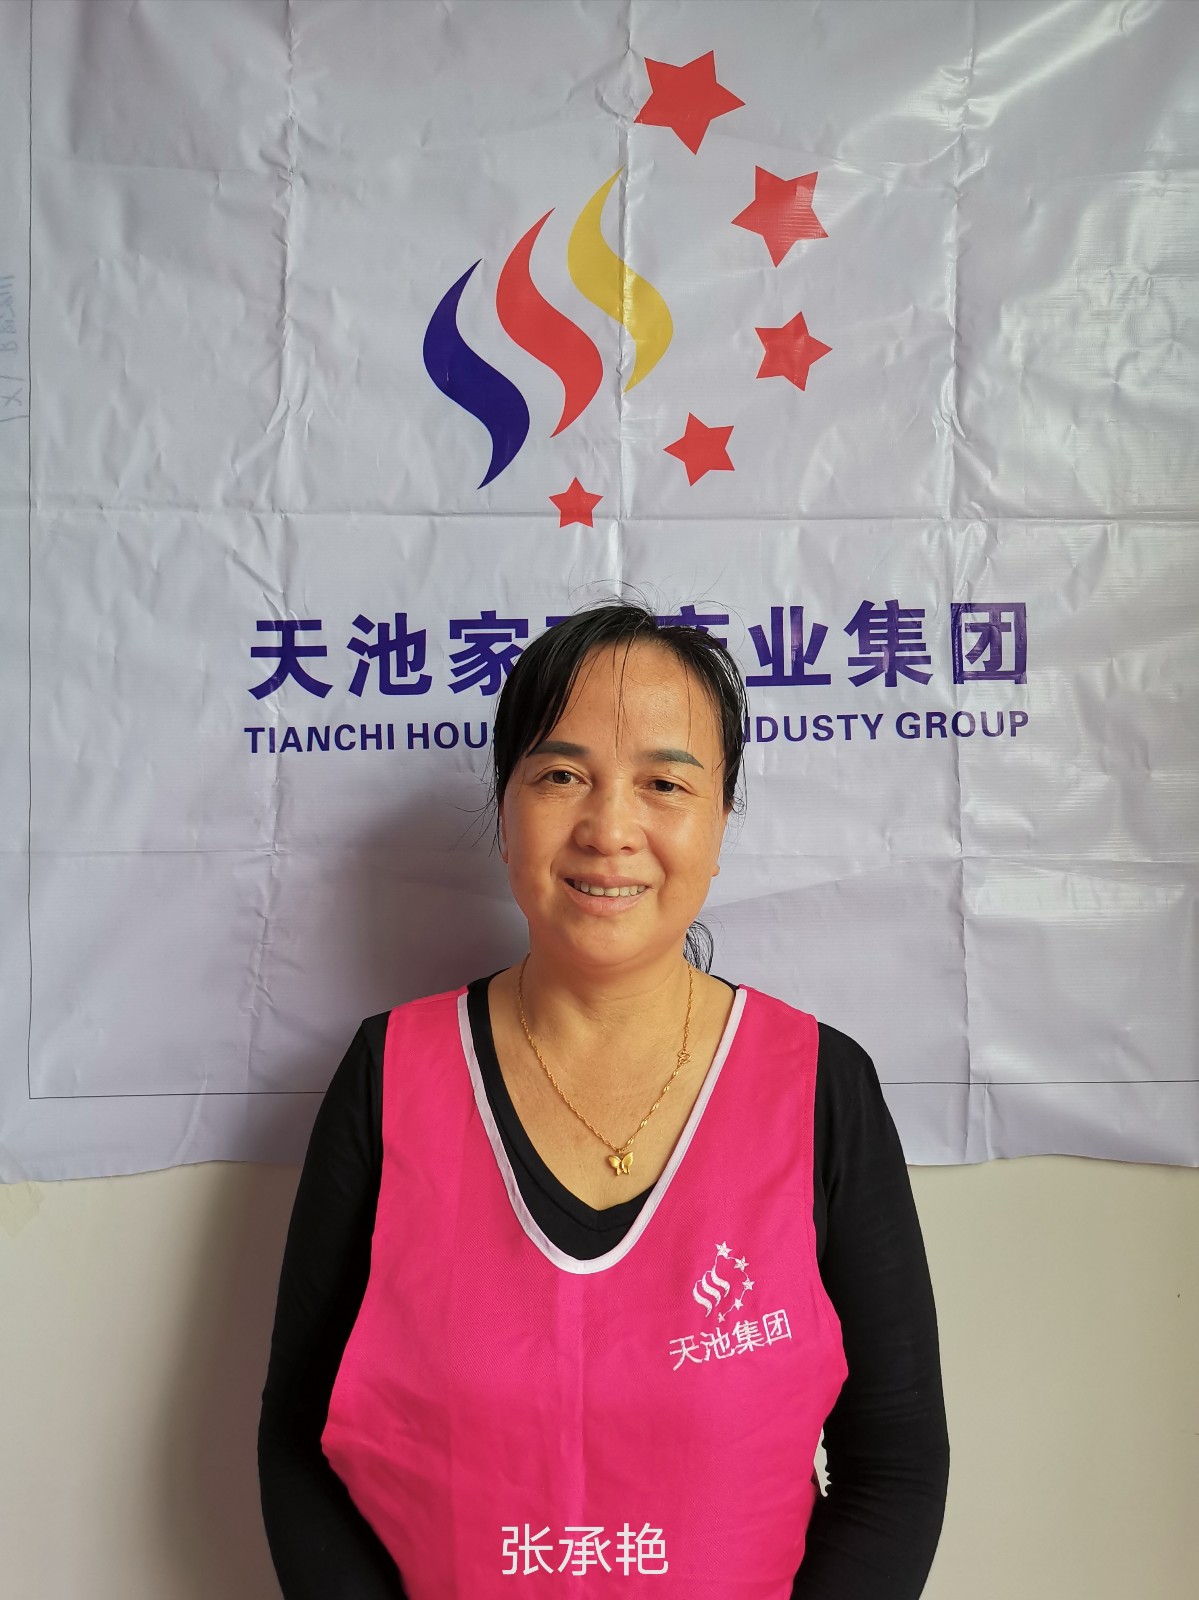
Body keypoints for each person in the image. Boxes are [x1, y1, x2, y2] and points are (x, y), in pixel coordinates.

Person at [258, 601, 950, 1598]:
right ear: (505, 810)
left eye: (663, 783)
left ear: (718, 822)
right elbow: (298, 1436)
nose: (609, 830)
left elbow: (894, 1460)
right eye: (561, 776)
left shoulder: (818, 1084)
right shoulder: (388, 1073)